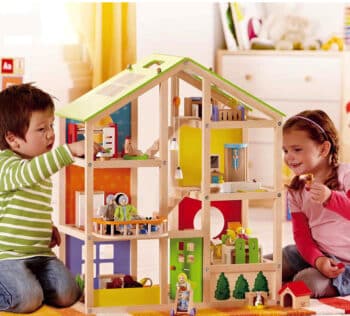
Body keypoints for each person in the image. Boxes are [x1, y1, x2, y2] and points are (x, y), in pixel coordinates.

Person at [0, 83, 103, 313]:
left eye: (51, 125)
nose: (51, 134)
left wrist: (48, 227)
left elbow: (28, 206)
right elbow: (25, 175)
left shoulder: (39, 167)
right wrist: (67, 151)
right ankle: (23, 289)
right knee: (27, 299)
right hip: (6, 257)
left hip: (39, 255)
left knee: (68, 293)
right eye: (41, 129)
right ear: (13, 139)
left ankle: (30, 287)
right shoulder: (5, 164)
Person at [281, 109, 350, 298]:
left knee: (306, 282)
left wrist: (331, 198)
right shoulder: (296, 190)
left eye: (297, 149)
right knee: (273, 263)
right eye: (285, 150)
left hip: (345, 262)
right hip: (315, 252)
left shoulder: (345, 175)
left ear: (323, 149)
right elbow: (301, 235)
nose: (289, 157)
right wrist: (318, 259)